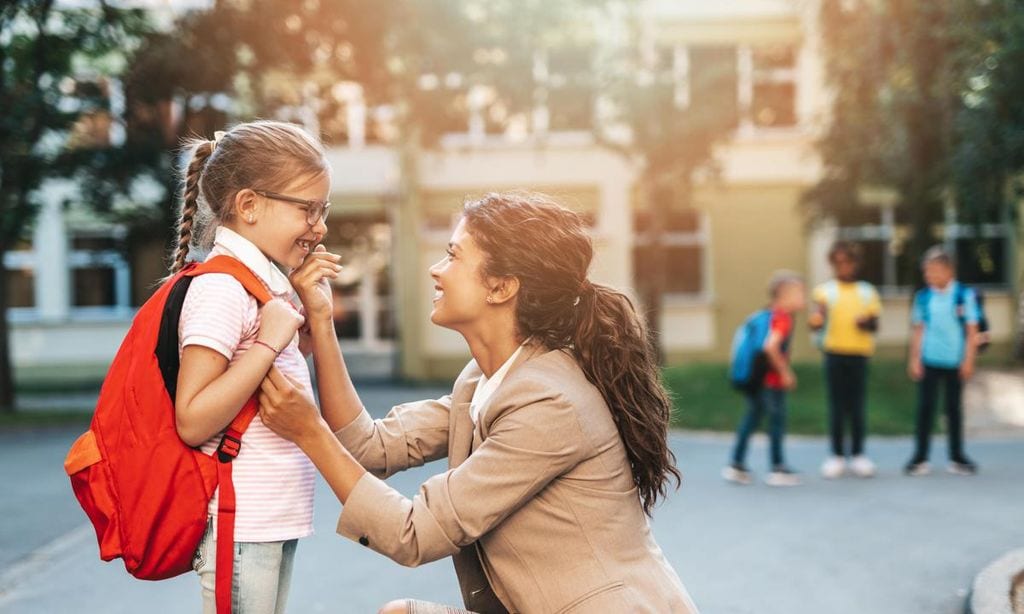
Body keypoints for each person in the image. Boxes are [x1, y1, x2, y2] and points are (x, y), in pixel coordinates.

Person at [258, 192, 699, 613]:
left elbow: (413, 533)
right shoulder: (486, 380)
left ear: (502, 287)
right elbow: (369, 446)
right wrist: (321, 317)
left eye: (453, 255)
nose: (436, 269)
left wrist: (308, 430)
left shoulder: (549, 402)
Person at [170, 120, 340, 613]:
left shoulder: (259, 284)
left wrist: (302, 324)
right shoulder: (221, 288)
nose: (320, 226)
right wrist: (269, 341)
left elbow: (263, 383)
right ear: (248, 206)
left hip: (268, 516)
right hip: (240, 519)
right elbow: (193, 417)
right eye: (307, 209)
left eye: (323, 210)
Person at [722, 271, 806, 487]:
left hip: (756, 379)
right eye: (800, 293)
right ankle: (778, 468)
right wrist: (785, 373)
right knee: (776, 422)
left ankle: (736, 465)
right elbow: (770, 347)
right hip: (770, 381)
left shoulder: (767, 315)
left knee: (751, 419)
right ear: (784, 295)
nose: (803, 298)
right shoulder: (782, 318)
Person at [808, 241, 882, 479]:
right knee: (837, 406)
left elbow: (875, 325)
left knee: (857, 405)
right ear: (832, 264)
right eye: (838, 262)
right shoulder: (824, 291)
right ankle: (837, 456)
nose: (843, 266)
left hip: (859, 353)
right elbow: (815, 320)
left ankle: (859, 455)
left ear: (855, 263)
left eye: (847, 261)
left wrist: (865, 322)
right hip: (834, 352)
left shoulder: (867, 291)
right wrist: (816, 320)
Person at [905, 246, 980, 476]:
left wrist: (969, 360)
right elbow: (918, 330)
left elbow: (971, 330)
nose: (930, 276)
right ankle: (920, 457)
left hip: (954, 362)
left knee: (953, 410)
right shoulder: (924, 297)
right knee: (925, 409)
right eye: (927, 272)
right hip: (930, 360)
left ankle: (956, 456)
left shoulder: (963, 295)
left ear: (949, 271)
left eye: (935, 271)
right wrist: (914, 359)